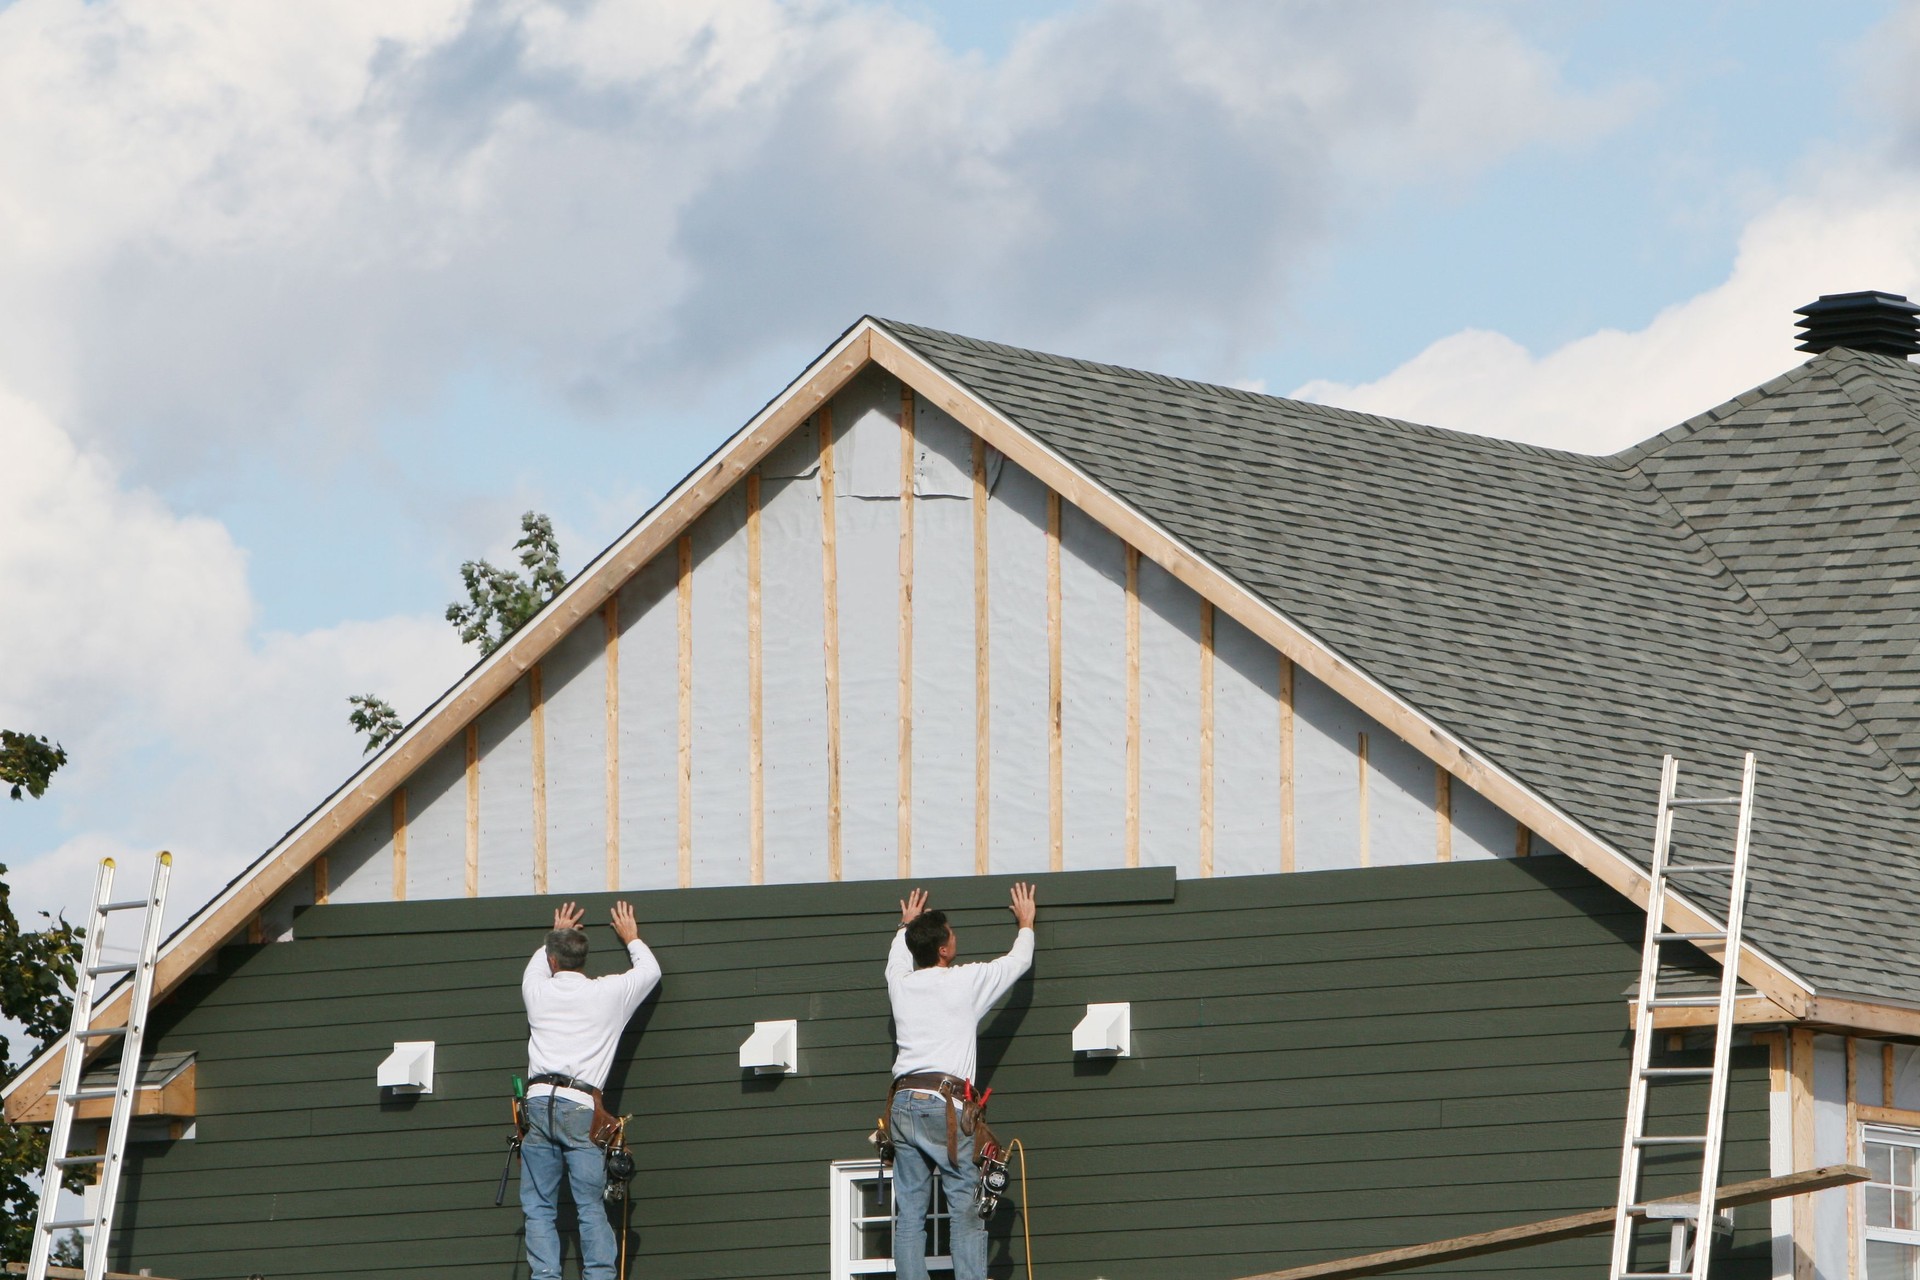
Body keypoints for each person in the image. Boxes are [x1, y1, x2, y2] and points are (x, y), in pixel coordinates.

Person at [885, 882, 1037, 1280]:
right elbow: (1015, 963)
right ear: (943, 950)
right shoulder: (963, 982)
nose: (955, 938)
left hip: (902, 1104)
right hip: (944, 1105)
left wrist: (906, 925)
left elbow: (896, 959)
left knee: (911, 1213)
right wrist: (1026, 923)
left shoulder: (901, 984)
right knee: (964, 1206)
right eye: (950, 935)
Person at [520, 900, 661, 1280]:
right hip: (580, 1107)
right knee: (589, 1205)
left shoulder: (537, 991)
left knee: (538, 1207)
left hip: (537, 1105)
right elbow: (649, 971)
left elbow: (537, 965)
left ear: (553, 961)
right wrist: (632, 938)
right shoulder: (608, 994)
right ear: (583, 962)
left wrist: (559, 932)